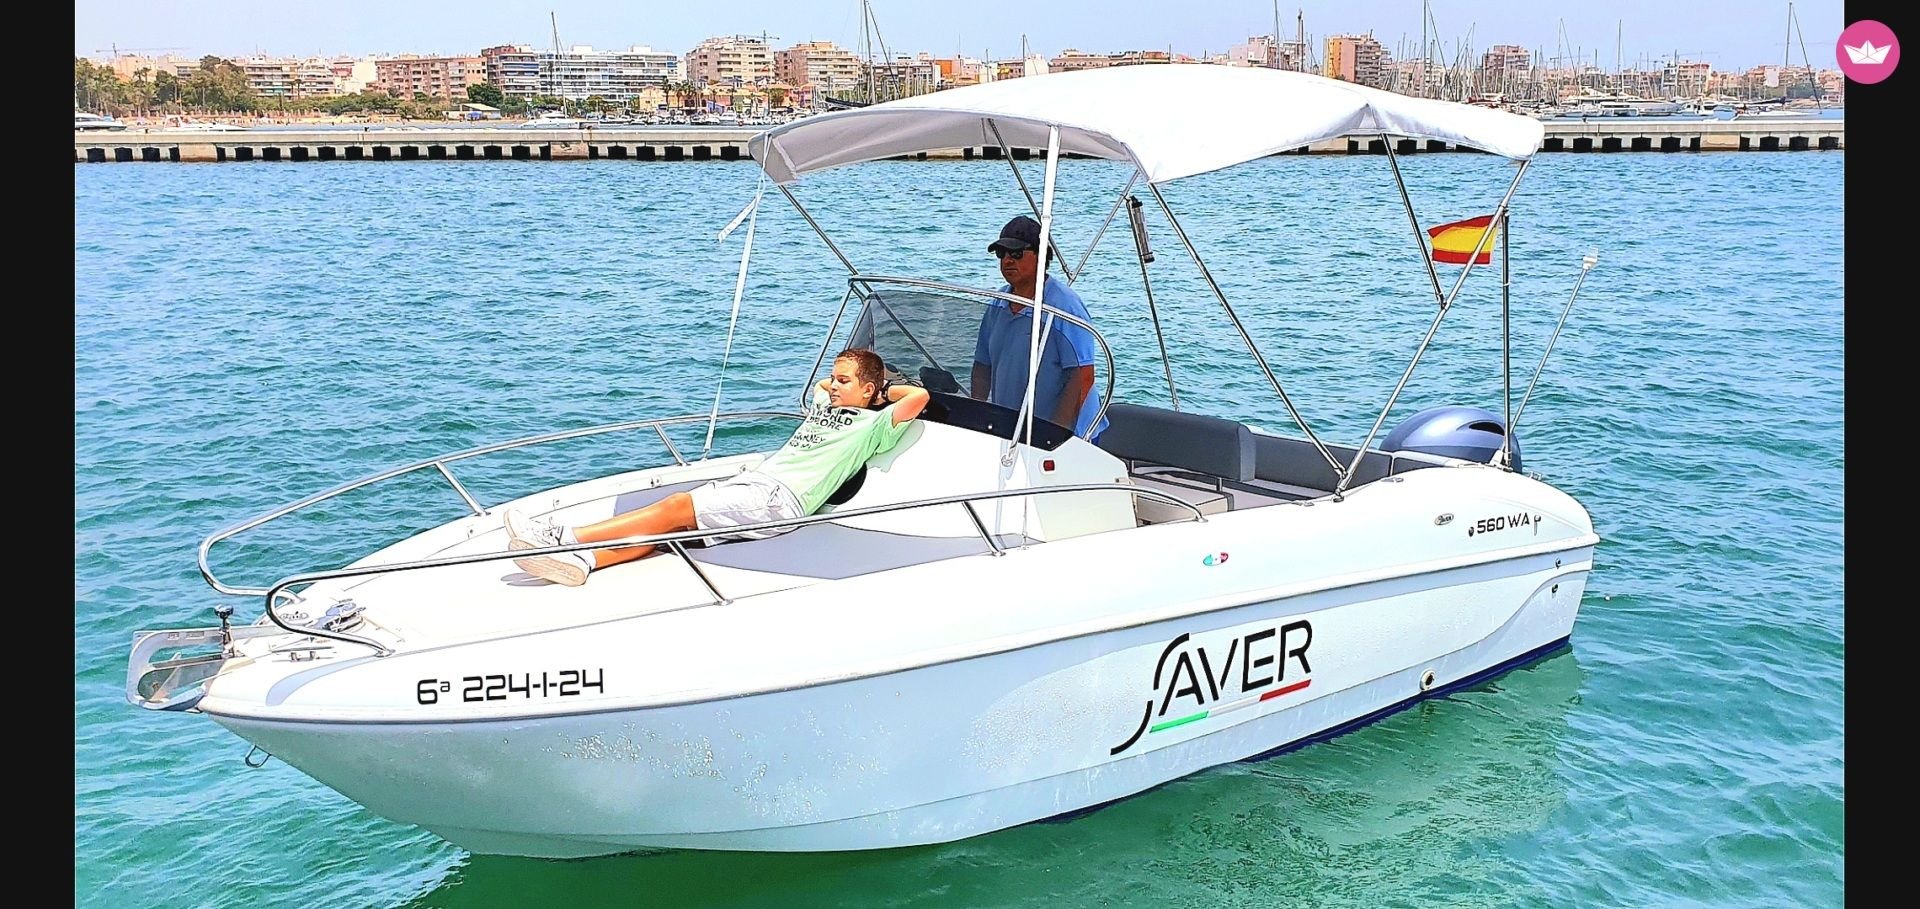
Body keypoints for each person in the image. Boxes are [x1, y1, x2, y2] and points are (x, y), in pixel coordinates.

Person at [502, 348, 929, 586]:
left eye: (844, 381)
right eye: (834, 378)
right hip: (758, 485)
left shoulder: (872, 426)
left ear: (869, 389)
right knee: (673, 532)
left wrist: (879, 392)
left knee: (675, 506)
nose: (832, 385)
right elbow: (821, 385)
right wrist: (850, 386)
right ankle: (586, 562)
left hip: (780, 500)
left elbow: (918, 398)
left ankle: (559, 537)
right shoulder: (825, 404)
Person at [971, 214, 1109, 440]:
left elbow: (1082, 375)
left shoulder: (1065, 306)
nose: (1007, 260)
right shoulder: (997, 303)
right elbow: (982, 366)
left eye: (1016, 253)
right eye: (1001, 253)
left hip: (1069, 436)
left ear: (1041, 254)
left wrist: (1054, 435)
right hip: (1014, 430)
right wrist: (976, 417)